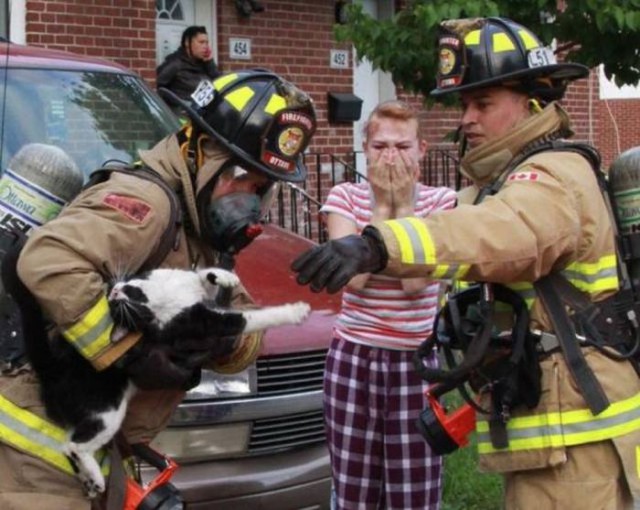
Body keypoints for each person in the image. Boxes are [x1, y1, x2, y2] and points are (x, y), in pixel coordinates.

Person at [292, 17, 640, 509]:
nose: (466, 119)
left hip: (580, 439)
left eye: (483, 103)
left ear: (533, 101)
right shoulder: (510, 177)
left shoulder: (554, 176)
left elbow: (494, 234)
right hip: (558, 433)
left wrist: (377, 245)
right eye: (464, 105)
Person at [0, 69, 316, 509]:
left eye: (264, 188)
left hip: (86, 449)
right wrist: (130, 351)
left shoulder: (199, 227)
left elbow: (241, 315)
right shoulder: (148, 205)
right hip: (36, 452)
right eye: (246, 179)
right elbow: (45, 261)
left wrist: (223, 342)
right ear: (202, 152)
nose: (250, 199)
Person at [322, 100, 455, 510]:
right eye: (380, 147)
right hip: (354, 357)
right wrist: (382, 204)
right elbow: (354, 277)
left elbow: (416, 283)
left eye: (402, 146)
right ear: (365, 147)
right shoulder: (344, 197)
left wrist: (403, 207)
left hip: (414, 360)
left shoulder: (442, 203)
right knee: (354, 487)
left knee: (413, 488)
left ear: (422, 150)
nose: (391, 157)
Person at [156, 25, 221, 112]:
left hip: (205, 117)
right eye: (201, 42)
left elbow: (219, 83)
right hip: (182, 118)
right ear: (187, 42)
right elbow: (156, 87)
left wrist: (210, 63)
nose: (205, 46)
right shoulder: (175, 64)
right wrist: (177, 106)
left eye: (206, 43)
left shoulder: (205, 65)